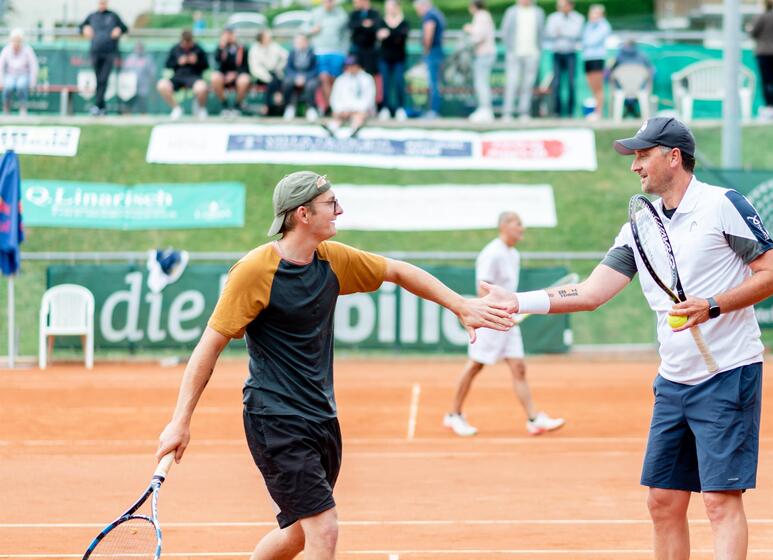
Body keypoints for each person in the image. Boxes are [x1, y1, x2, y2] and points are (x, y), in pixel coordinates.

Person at [156, 171, 513, 560]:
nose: (339, 210)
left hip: (321, 418)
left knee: (297, 535)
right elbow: (208, 348)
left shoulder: (331, 259)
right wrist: (180, 421)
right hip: (275, 417)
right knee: (324, 529)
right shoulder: (254, 271)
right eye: (331, 204)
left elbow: (398, 271)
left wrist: (461, 305)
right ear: (303, 214)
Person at [481, 116, 773, 560]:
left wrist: (713, 304)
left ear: (673, 157)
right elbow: (590, 293)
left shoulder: (723, 205)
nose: (634, 165)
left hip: (728, 374)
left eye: (643, 155)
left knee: (719, 502)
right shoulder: (640, 226)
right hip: (674, 381)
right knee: (662, 502)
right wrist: (516, 301)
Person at [443, 212, 566, 438]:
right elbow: (483, 289)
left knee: (518, 367)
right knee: (475, 365)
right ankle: (454, 415)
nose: (522, 228)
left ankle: (533, 419)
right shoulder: (492, 253)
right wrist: (496, 313)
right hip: (491, 319)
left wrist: (510, 311)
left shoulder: (513, 254)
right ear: (504, 226)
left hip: (507, 319)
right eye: (517, 223)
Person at [79, 0, 127, 116]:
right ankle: (101, 107)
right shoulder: (92, 16)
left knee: (103, 79)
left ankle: (98, 106)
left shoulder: (113, 16)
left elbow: (125, 28)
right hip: (96, 52)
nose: (102, 4)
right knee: (98, 79)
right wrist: (84, 29)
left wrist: (119, 30)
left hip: (109, 53)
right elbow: (80, 27)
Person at [500, 0, 545, 121]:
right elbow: (505, 31)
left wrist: (538, 50)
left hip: (532, 53)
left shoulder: (538, 12)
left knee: (528, 84)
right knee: (512, 83)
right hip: (514, 53)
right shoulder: (511, 12)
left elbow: (541, 32)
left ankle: (524, 112)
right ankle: (507, 112)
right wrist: (510, 49)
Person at [749, 0, 773, 119]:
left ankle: (769, 107)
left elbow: (753, 33)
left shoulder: (760, 17)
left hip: (764, 53)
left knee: (767, 81)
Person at [309, 0, 350, 115]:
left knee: (335, 80)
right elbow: (304, 28)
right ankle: (331, 107)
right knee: (324, 78)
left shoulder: (341, 14)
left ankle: (336, 106)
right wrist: (312, 30)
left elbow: (346, 34)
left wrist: (344, 52)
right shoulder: (315, 13)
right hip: (320, 52)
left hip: (337, 52)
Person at [544, 0, 584, 118]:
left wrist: (561, 31)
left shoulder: (578, 18)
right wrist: (565, 32)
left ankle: (571, 111)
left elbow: (575, 34)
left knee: (571, 82)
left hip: (570, 53)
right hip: (557, 53)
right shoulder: (553, 17)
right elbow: (550, 33)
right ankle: (557, 111)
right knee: (556, 82)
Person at [157, 30, 209, 120]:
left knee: (202, 87)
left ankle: (200, 109)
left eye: (189, 42)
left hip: (194, 77)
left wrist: (197, 61)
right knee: (161, 85)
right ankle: (176, 108)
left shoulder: (198, 49)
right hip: (178, 77)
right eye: (185, 42)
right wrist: (178, 62)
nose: (187, 45)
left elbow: (206, 65)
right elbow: (168, 64)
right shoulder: (175, 49)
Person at [464, 0, 496, 122]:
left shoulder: (481, 16)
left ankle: (485, 109)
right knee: (481, 82)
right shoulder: (485, 15)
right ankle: (484, 108)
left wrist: (469, 29)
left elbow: (479, 36)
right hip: (485, 54)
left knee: (481, 83)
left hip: (484, 54)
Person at [376, 0, 409, 121]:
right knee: (385, 84)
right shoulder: (381, 21)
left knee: (399, 83)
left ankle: (400, 108)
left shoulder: (404, 22)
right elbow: (380, 35)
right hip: (385, 58)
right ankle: (385, 108)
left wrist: (389, 34)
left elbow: (401, 38)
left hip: (399, 59)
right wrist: (394, 35)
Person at [413, 0, 446, 118]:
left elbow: (428, 35)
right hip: (437, 51)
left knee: (433, 82)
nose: (418, 12)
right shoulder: (437, 13)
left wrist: (426, 50)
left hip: (433, 52)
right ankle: (433, 110)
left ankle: (433, 111)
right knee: (435, 81)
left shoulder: (430, 16)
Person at [327, 55, 375, 136]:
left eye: (352, 65)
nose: (349, 68)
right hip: (343, 111)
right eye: (348, 65)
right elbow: (334, 98)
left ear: (358, 65)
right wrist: (341, 110)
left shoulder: (367, 79)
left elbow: (369, 100)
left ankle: (354, 131)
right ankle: (332, 129)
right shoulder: (341, 79)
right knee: (336, 116)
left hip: (360, 111)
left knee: (359, 116)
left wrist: (353, 110)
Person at [211, 26, 251, 116]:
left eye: (231, 34)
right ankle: (224, 105)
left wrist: (235, 74)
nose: (229, 37)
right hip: (224, 77)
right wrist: (222, 49)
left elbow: (246, 67)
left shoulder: (242, 48)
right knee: (215, 77)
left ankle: (237, 105)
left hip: (238, 76)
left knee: (245, 79)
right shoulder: (220, 49)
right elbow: (216, 66)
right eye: (226, 35)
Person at [580, 4, 611, 121]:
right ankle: (595, 111)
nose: (592, 15)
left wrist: (586, 41)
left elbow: (591, 41)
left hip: (597, 58)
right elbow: (584, 40)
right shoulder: (588, 25)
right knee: (592, 86)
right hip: (587, 58)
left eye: (595, 13)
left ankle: (599, 112)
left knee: (598, 87)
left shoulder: (604, 26)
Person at [608, 39, 653, 118]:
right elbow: (651, 71)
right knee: (642, 91)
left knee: (618, 91)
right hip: (639, 89)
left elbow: (610, 71)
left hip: (622, 89)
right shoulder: (643, 55)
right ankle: (633, 111)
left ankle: (627, 110)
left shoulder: (619, 56)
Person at [249, 29, 289, 116]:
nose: (270, 38)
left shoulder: (274, 46)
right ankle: (278, 100)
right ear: (262, 38)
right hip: (261, 77)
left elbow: (286, 56)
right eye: (267, 37)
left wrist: (280, 67)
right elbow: (255, 69)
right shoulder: (254, 49)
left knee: (277, 80)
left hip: (276, 74)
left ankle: (266, 106)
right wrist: (268, 77)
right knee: (273, 81)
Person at [0, 29, 38, 116]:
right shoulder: (6, 50)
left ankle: (23, 109)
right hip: (10, 75)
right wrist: (1, 81)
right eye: (14, 40)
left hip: (24, 75)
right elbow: (0, 66)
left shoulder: (27, 50)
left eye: (18, 40)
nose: (16, 42)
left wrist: (33, 82)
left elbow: (34, 66)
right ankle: (6, 109)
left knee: (21, 85)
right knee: (8, 86)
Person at [283, 33, 321, 121]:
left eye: (301, 41)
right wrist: (296, 77)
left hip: (309, 77)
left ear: (306, 42)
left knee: (311, 85)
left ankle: (311, 108)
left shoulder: (312, 53)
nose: (299, 44)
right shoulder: (292, 53)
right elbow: (288, 69)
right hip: (295, 76)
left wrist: (305, 78)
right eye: (298, 42)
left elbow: (315, 70)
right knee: (287, 82)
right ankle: (290, 107)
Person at [348, 0, 382, 78]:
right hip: (357, 48)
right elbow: (351, 25)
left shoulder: (374, 13)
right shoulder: (354, 14)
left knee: (370, 73)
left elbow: (377, 26)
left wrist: (369, 25)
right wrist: (362, 23)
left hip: (370, 49)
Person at [121, 40, 156, 114]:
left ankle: (143, 117)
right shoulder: (130, 58)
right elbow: (124, 73)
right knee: (127, 106)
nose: (138, 49)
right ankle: (126, 118)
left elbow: (152, 74)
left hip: (143, 88)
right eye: (137, 47)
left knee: (142, 107)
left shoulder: (147, 59)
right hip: (130, 88)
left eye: (140, 48)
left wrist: (152, 89)